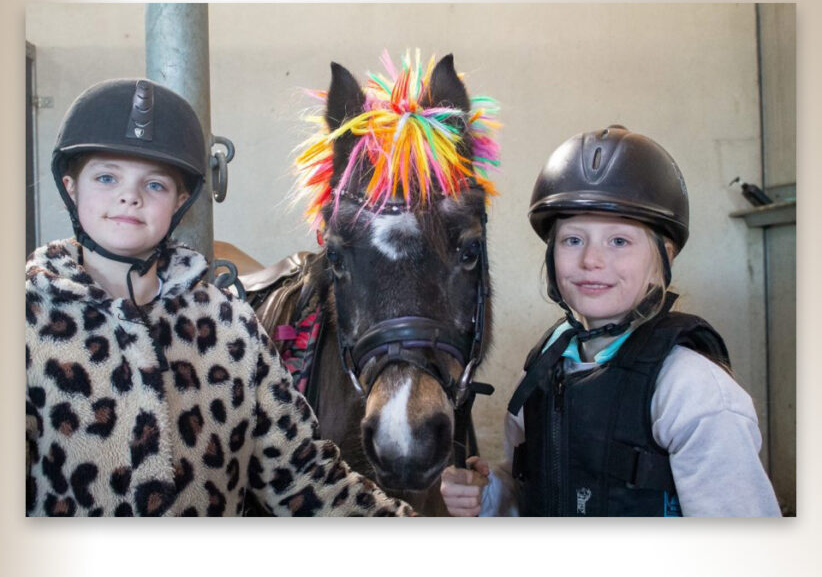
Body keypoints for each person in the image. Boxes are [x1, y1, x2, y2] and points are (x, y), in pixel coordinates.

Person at [25, 78, 414, 517]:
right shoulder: (25, 322)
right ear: (71, 187)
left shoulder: (231, 326)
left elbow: (305, 476)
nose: (129, 196)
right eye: (106, 177)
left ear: (180, 200)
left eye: (155, 185)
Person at [440, 125, 781, 517]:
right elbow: (534, 489)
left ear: (664, 257)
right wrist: (487, 495)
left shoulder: (693, 391)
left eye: (619, 241)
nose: (591, 260)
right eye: (573, 240)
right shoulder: (540, 374)